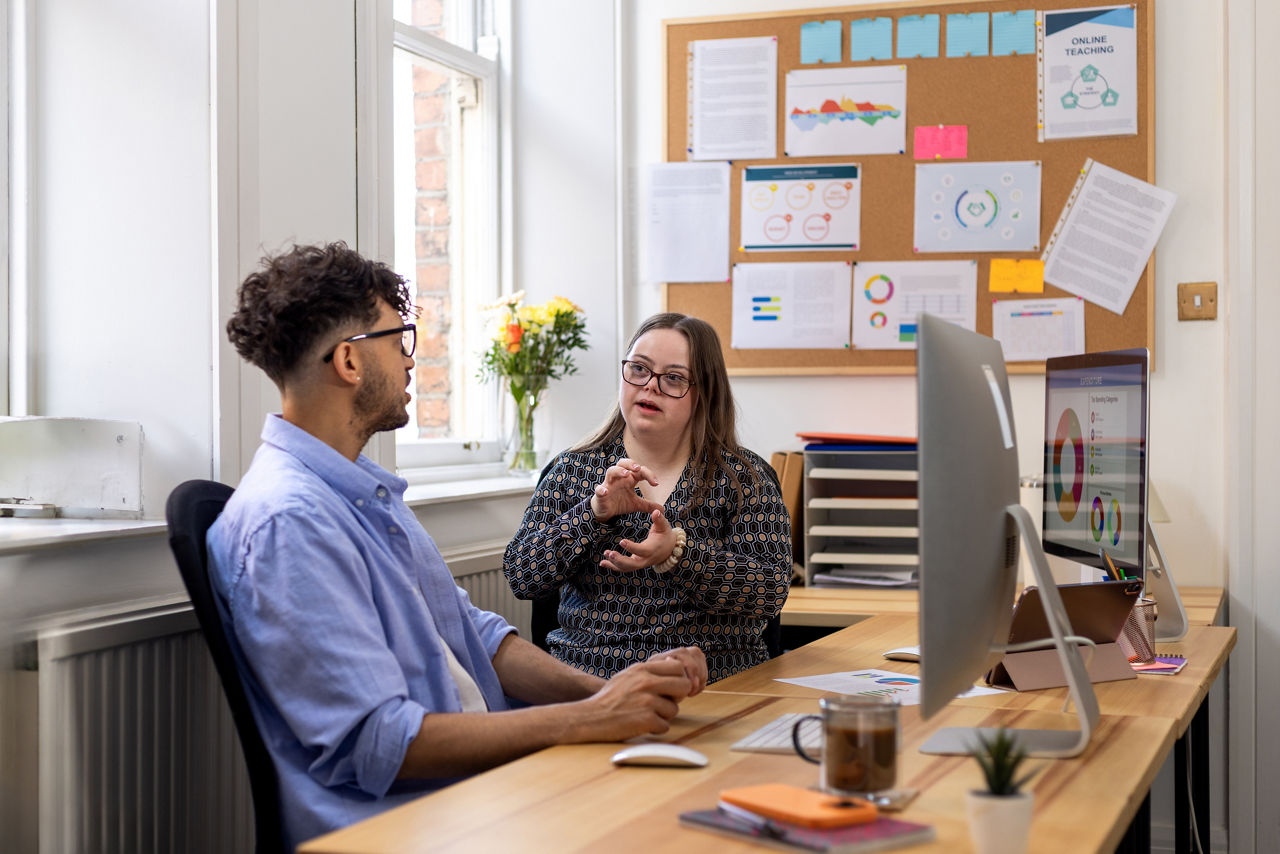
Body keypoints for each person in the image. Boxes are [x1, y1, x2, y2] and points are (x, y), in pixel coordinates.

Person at [207, 243, 706, 850]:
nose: (413, 363)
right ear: (349, 361)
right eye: (399, 341)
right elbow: (379, 744)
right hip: (412, 825)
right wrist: (592, 719)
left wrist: (613, 691)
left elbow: (477, 639)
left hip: (482, 793)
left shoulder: (364, 494)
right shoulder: (290, 523)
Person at [503, 312, 792, 683]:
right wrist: (593, 514)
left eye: (673, 378)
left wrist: (677, 554)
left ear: (703, 393)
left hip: (715, 686)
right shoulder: (571, 470)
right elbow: (522, 576)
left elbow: (769, 592)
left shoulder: (744, 478)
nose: (649, 386)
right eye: (638, 369)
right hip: (592, 686)